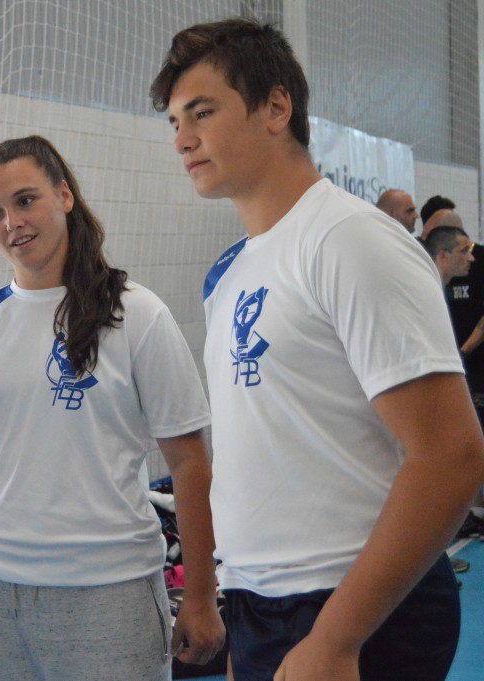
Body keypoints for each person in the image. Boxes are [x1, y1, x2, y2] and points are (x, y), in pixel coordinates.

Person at [151, 18, 484, 681]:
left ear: (277, 107)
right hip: (260, 603)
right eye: (174, 122)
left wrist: (336, 638)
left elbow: (452, 453)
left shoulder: (349, 240)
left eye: (202, 112)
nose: (184, 138)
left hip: (353, 608)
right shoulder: (228, 274)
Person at [0, 135, 224, 680]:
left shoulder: (138, 315)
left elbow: (189, 463)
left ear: (64, 196)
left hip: (108, 591)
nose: (11, 221)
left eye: (25, 200)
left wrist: (200, 594)